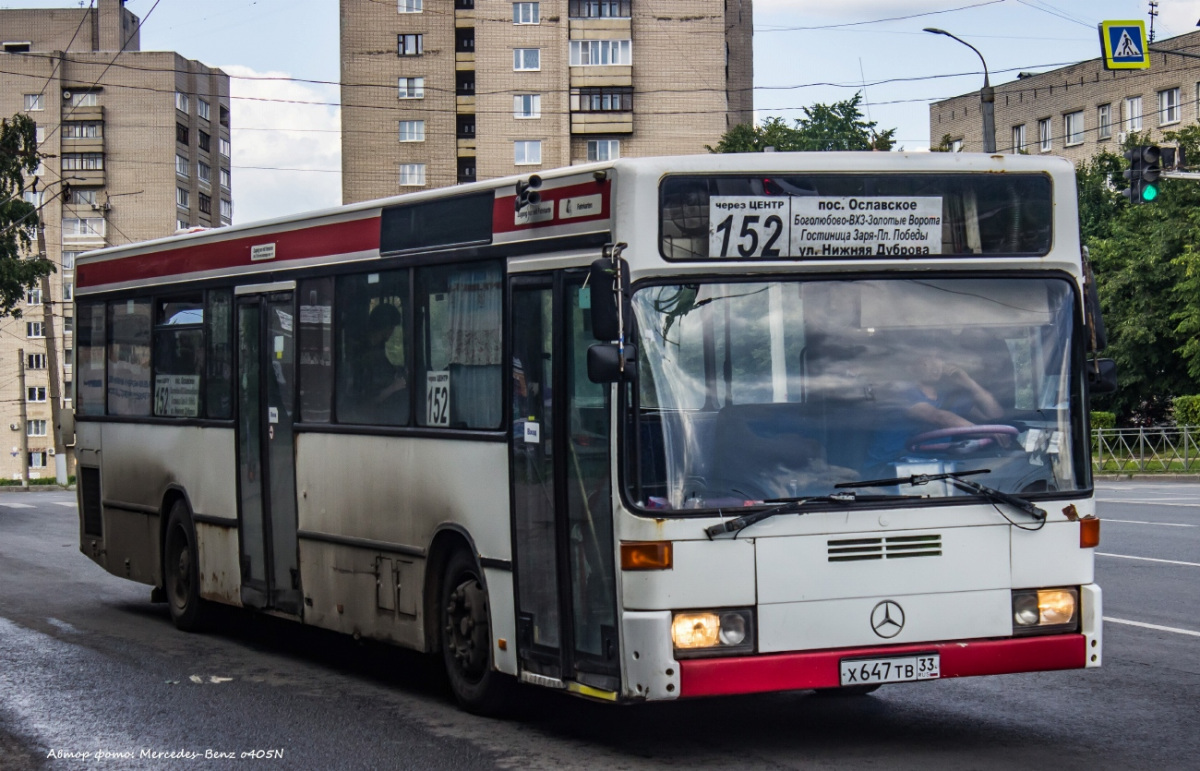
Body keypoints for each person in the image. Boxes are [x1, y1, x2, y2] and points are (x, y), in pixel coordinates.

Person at [867, 349, 1004, 464]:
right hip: (889, 469)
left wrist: (970, 383)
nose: (936, 365)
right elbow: (938, 417)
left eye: (939, 358)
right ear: (909, 368)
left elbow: (995, 416)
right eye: (927, 359)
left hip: (937, 468)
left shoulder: (948, 397)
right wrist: (987, 432)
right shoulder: (899, 393)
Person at [347, 302, 407, 423]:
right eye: (392, 328)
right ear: (386, 327)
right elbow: (367, 401)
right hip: (371, 418)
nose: (392, 331)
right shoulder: (364, 355)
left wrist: (398, 370)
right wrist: (394, 387)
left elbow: (385, 369)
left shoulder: (377, 348)